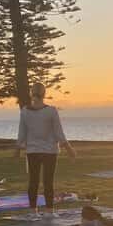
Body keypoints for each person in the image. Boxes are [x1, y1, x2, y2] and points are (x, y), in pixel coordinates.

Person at [16, 82, 75, 214]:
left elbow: (22, 133)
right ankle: (49, 210)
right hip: (49, 151)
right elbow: (59, 132)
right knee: (48, 182)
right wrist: (69, 148)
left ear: (31, 93)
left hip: (32, 151)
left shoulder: (25, 111)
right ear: (44, 94)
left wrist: (17, 149)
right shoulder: (51, 111)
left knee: (33, 181)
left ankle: (33, 210)